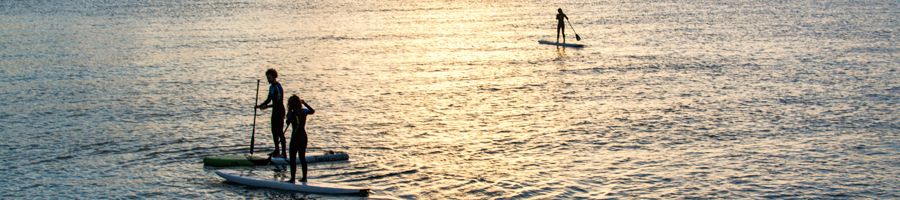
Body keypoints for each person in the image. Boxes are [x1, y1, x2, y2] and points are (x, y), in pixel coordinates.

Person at [284, 95, 315, 183]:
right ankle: (304, 178)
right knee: (302, 158)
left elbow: (287, 122)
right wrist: (304, 103)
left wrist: (289, 112)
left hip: (295, 137)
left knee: (292, 159)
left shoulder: (291, 113)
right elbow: (312, 111)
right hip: (303, 136)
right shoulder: (304, 111)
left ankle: (292, 179)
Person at [256, 69, 286, 158]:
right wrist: (260, 105)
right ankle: (277, 150)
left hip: (280, 111)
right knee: (273, 131)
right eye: (267, 78)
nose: (268, 79)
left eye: (269, 77)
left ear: (274, 77)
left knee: (279, 131)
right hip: (275, 111)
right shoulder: (271, 87)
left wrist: (267, 107)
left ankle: (284, 153)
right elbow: (268, 99)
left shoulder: (278, 87)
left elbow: (278, 103)